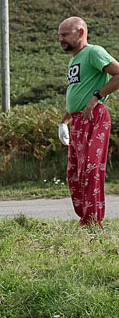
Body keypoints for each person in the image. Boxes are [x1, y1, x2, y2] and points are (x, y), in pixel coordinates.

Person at [57, 17, 119, 226]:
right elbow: (75, 93)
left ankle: (93, 222)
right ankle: (85, 217)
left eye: (65, 34)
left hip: (94, 118)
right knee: (75, 173)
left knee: (91, 169)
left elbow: (118, 73)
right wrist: (64, 122)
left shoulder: (93, 52)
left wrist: (97, 96)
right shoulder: (74, 59)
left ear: (81, 32)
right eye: (59, 35)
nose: (61, 39)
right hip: (77, 121)